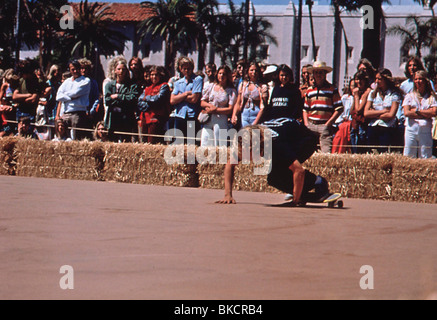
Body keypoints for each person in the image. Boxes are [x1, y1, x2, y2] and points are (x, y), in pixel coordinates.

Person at [216, 118, 330, 207]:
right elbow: (229, 165)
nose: (245, 159)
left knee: (276, 174)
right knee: (274, 177)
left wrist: (295, 201)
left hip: (304, 140)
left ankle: (318, 182)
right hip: (287, 132)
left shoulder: (276, 145)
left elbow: (299, 170)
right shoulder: (247, 140)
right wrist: (228, 195)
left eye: (246, 155)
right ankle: (300, 190)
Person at [303, 61, 343, 153]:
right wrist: (306, 124)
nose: (318, 75)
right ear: (313, 74)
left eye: (321, 72)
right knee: (307, 153)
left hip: (324, 125)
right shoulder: (309, 91)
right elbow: (305, 109)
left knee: (326, 154)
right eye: (316, 72)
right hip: (311, 125)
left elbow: (339, 108)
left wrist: (328, 124)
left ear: (325, 74)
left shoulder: (332, 89)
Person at [364, 68, 402, 153]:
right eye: (376, 78)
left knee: (384, 153)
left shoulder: (394, 94)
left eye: (380, 79)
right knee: (372, 152)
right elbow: (366, 113)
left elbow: (391, 115)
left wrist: (373, 114)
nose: (377, 81)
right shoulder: (373, 94)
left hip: (387, 128)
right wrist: (384, 111)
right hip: (373, 127)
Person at [402, 70, 437, 158]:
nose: (418, 81)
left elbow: (433, 112)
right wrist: (425, 113)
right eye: (416, 79)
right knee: (409, 154)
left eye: (420, 79)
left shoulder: (431, 97)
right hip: (411, 129)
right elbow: (407, 112)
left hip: (425, 129)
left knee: (425, 155)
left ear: (425, 81)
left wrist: (417, 111)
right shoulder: (409, 96)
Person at [199, 65, 237, 147]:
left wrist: (216, 110)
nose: (221, 76)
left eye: (224, 74)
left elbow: (230, 109)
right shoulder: (211, 86)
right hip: (208, 118)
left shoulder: (231, 91)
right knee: (205, 143)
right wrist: (210, 106)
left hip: (221, 120)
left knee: (219, 145)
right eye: (220, 73)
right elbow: (202, 102)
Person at [169, 56, 203, 144]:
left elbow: (194, 99)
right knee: (179, 142)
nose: (187, 71)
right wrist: (186, 94)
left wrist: (179, 97)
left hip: (192, 115)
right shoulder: (178, 83)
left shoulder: (197, 80)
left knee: (191, 142)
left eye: (189, 68)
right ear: (181, 69)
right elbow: (172, 100)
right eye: (184, 69)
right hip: (180, 115)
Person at [104, 60, 140, 142]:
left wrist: (118, 96)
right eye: (119, 69)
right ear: (115, 70)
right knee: (112, 140)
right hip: (112, 117)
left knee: (125, 140)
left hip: (126, 117)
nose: (121, 72)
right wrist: (123, 99)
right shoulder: (109, 85)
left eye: (123, 69)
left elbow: (132, 99)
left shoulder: (131, 85)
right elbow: (107, 100)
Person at [56, 59, 91, 140]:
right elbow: (58, 96)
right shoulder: (67, 81)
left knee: (76, 138)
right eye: (72, 69)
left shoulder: (85, 81)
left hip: (78, 113)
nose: (75, 71)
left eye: (76, 69)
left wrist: (66, 96)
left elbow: (76, 92)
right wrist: (71, 97)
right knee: (64, 137)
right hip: (66, 113)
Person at [137, 65, 171, 144]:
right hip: (145, 118)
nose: (154, 77)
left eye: (156, 74)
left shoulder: (164, 86)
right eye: (152, 74)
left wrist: (147, 98)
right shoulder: (147, 88)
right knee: (144, 142)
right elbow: (139, 102)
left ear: (160, 75)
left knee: (153, 142)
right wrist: (150, 105)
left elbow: (158, 99)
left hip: (157, 119)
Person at [231, 62, 268, 128]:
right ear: (248, 71)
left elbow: (263, 107)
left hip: (256, 115)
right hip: (245, 115)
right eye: (251, 70)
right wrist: (234, 115)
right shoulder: (243, 85)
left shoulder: (262, 87)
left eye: (256, 70)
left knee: (254, 137)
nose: (254, 72)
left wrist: (255, 123)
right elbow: (238, 102)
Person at [349, 70, 371, 154]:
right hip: (355, 123)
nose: (358, 82)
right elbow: (352, 111)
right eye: (357, 79)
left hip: (363, 124)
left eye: (360, 79)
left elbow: (358, 110)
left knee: (360, 149)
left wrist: (357, 97)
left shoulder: (367, 92)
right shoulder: (359, 91)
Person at [332, 81, 354, 153]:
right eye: (352, 86)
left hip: (353, 122)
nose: (353, 88)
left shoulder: (357, 98)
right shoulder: (346, 97)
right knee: (342, 129)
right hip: (344, 122)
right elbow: (341, 111)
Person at [0, 69, 19, 137]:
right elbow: (0, 98)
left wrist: (14, 106)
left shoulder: (17, 86)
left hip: (14, 111)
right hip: (5, 111)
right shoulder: (5, 86)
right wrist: (2, 106)